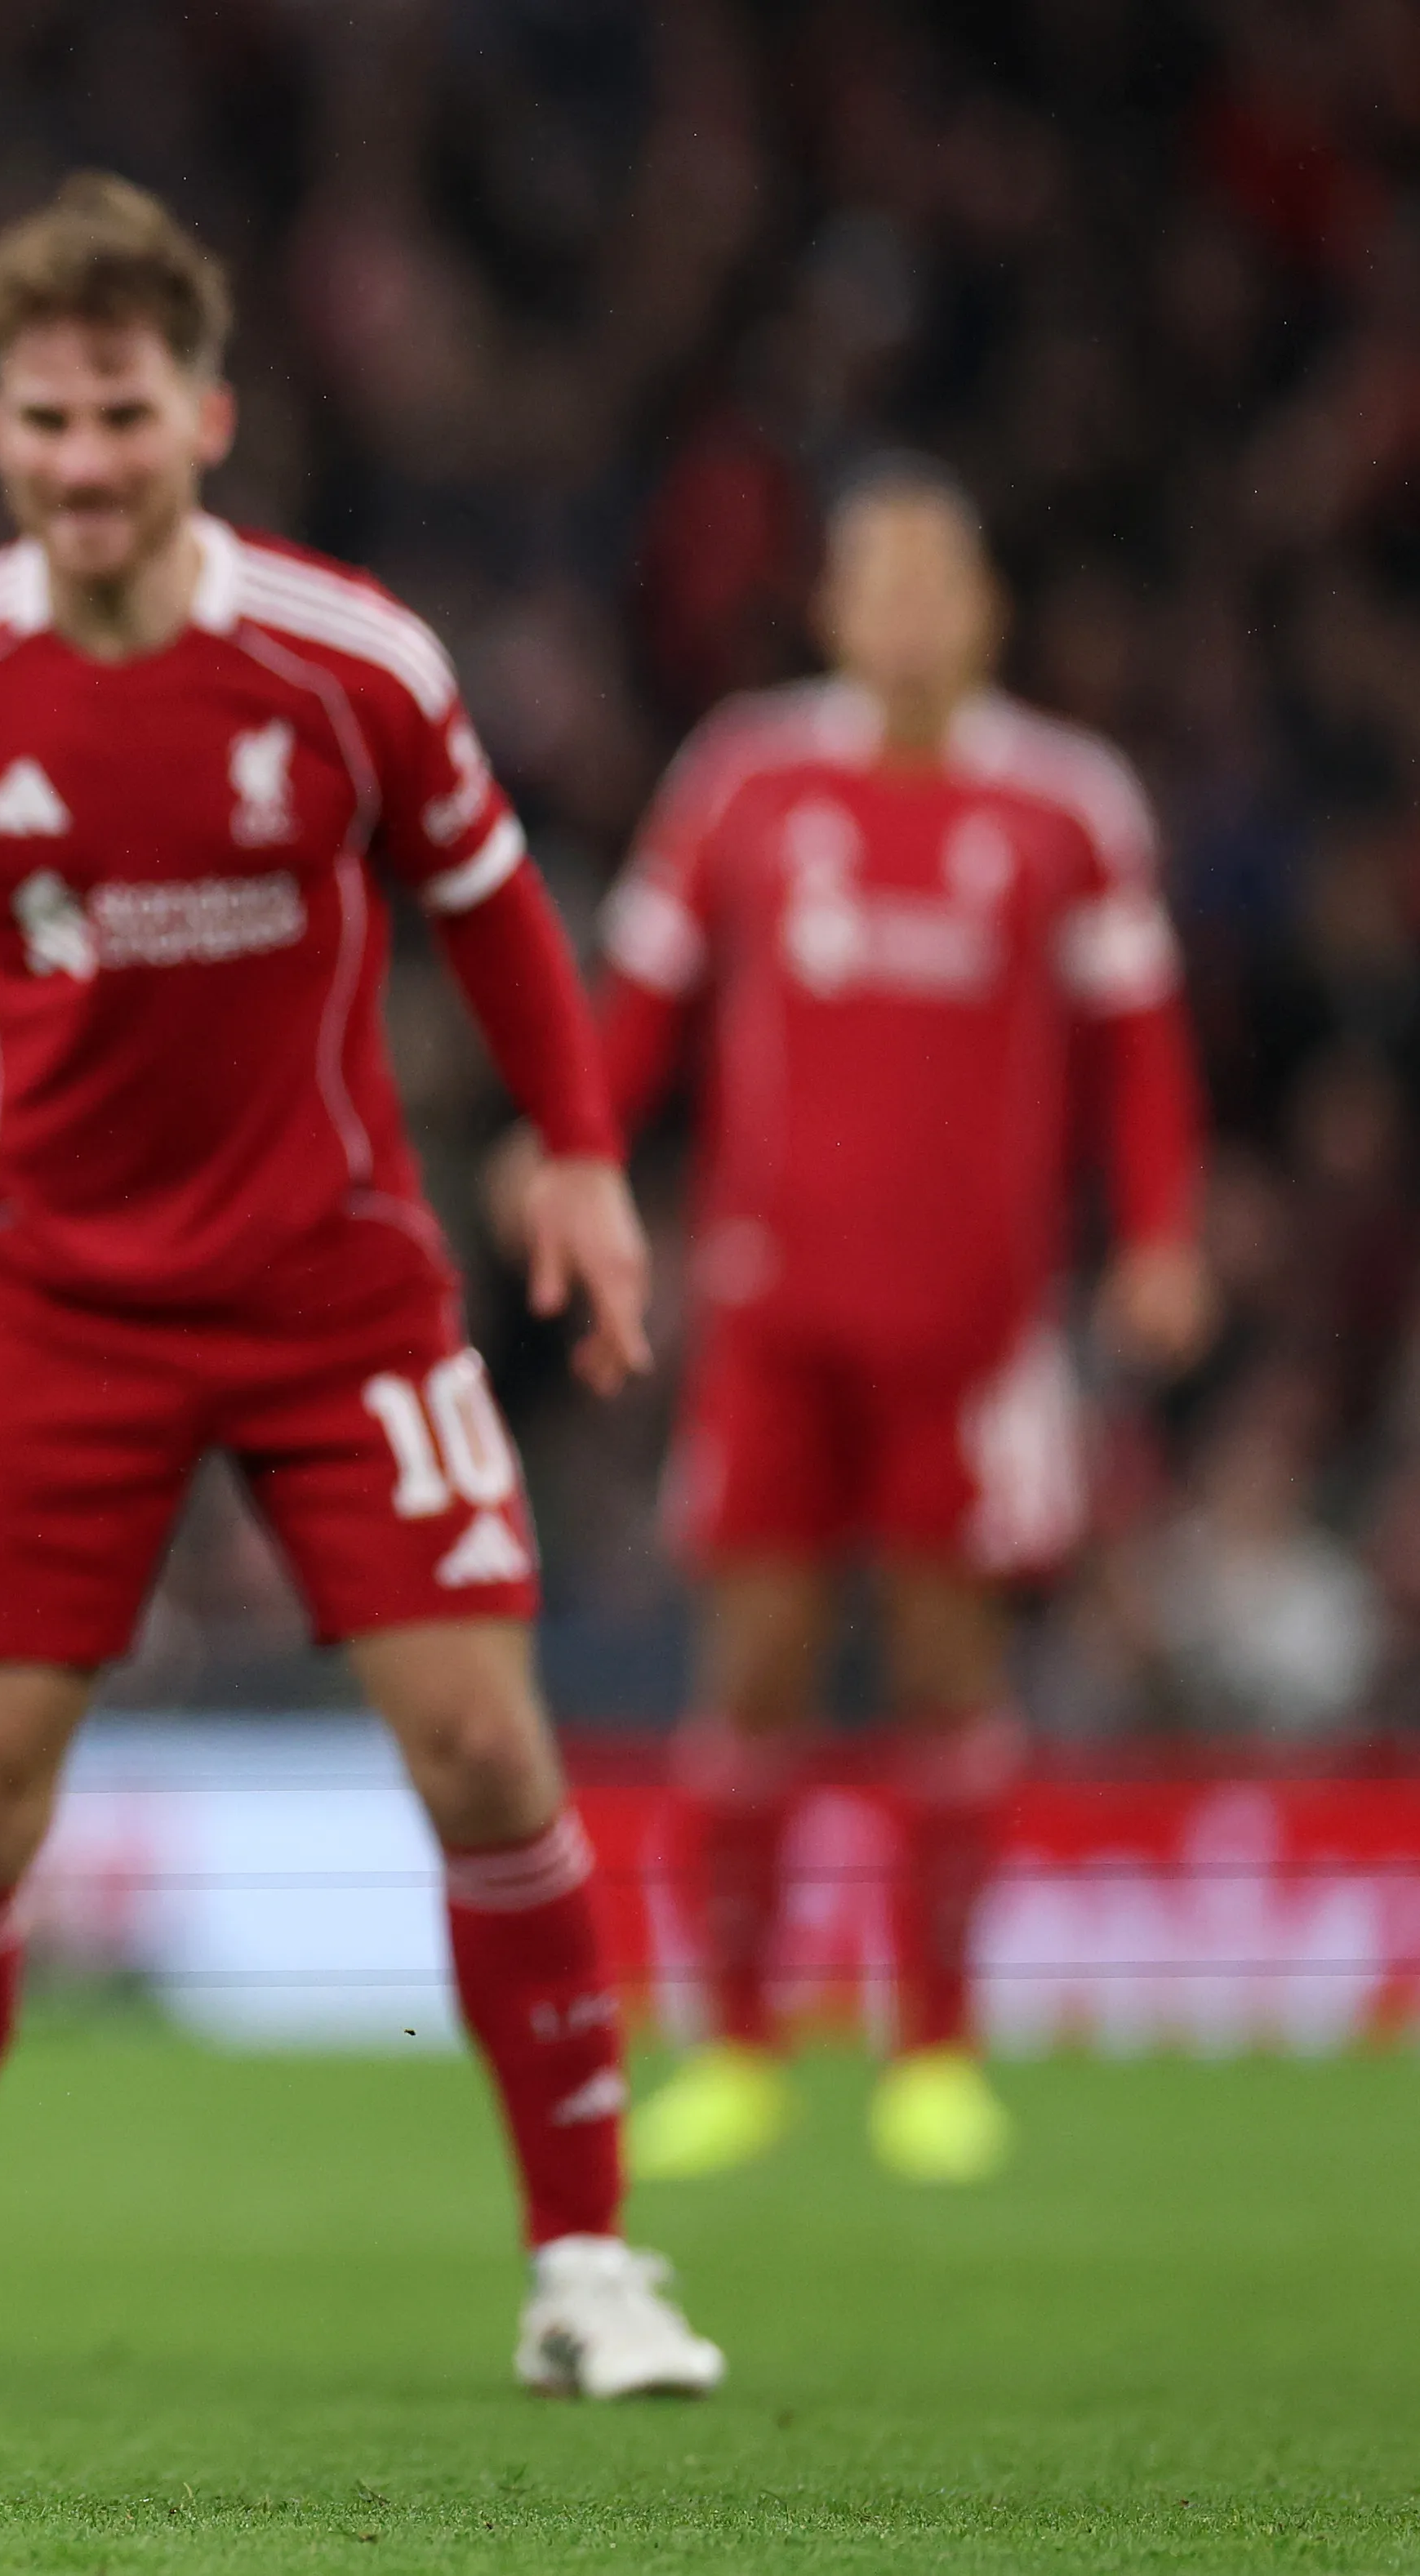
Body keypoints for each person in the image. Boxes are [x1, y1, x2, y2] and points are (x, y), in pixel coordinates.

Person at [0, 173, 721, 2404]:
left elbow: (494, 903)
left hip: (338, 1282)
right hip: (52, 1297)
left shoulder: (348, 663)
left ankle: (588, 2266)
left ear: (206, 416)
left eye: (123, 413)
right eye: (47, 419)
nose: (85, 459)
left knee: (485, 1746)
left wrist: (578, 1148)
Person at [585, 462, 1209, 2187]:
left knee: (950, 1674)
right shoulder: (744, 774)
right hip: (772, 1309)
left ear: (986, 612)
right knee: (754, 1672)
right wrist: (576, 1148)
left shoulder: (1068, 800)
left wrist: (1162, 1233)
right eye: (883, 580)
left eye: (941, 581)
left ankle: (933, 2049)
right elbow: (640, 1003)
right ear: (837, 608)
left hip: (976, 1326)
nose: (913, 611)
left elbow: (1141, 1045)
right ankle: (739, 2045)